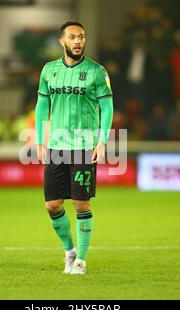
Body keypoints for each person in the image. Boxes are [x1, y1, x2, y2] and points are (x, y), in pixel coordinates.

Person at [35, 21, 113, 275]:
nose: (78, 41)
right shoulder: (49, 71)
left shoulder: (97, 72)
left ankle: (81, 260)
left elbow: (107, 107)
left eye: (81, 37)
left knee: (81, 204)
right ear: (62, 41)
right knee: (53, 205)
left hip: (83, 146)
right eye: (72, 37)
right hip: (56, 147)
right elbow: (42, 107)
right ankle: (69, 252)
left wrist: (102, 140)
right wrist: (39, 141)